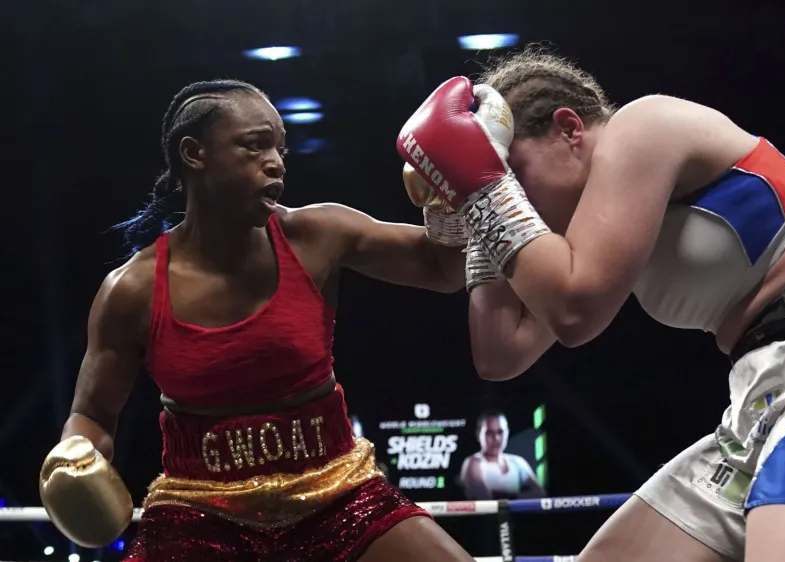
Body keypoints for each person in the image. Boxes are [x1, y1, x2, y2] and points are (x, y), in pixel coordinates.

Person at [395, 48, 785, 562]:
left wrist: (485, 191)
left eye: (516, 173)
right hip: (764, 399)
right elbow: (500, 353)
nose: (515, 198)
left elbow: (574, 313)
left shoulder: (645, 126)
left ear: (570, 129)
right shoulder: (590, 242)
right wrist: (474, 212)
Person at [38, 79, 477, 562]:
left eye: (280, 148)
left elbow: (442, 269)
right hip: (200, 511)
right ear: (194, 153)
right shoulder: (132, 290)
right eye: (254, 145)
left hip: (337, 494)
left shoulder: (318, 235)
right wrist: (74, 455)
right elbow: (94, 414)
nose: (277, 162)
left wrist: (451, 194)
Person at [459, 410, 544, 500]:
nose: (496, 438)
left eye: (500, 432)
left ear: (507, 433)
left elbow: (540, 494)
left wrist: (500, 495)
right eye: (489, 433)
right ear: (479, 435)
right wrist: (519, 497)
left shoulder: (517, 462)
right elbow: (483, 498)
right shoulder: (473, 462)